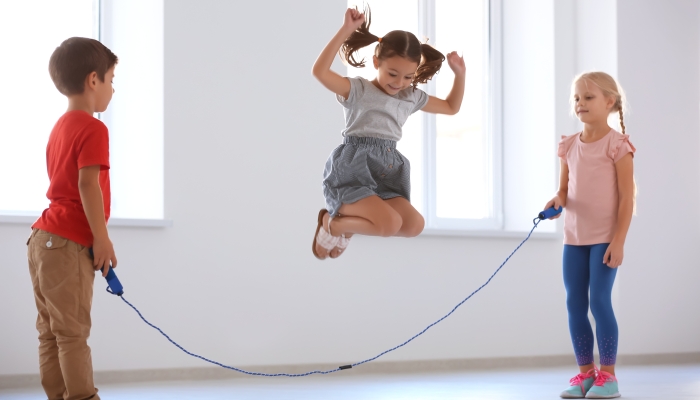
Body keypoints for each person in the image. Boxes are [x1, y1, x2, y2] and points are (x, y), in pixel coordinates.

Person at [311, 5, 465, 259]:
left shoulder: (410, 97)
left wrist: (460, 74)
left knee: (414, 225)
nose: (399, 83)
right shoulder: (358, 90)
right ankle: (334, 223)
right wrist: (346, 29)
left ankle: (344, 225)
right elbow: (320, 72)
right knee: (389, 224)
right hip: (354, 169)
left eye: (408, 77)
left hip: (387, 170)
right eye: (392, 73)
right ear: (376, 62)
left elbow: (451, 107)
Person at [27, 37, 118, 400]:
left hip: (41, 240)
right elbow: (86, 184)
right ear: (93, 80)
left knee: (51, 333)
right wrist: (102, 238)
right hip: (67, 243)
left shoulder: (59, 128)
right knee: (73, 334)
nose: (113, 90)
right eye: (112, 80)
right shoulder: (94, 128)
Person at [544, 72, 635, 399]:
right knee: (575, 303)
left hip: (604, 239)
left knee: (599, 301)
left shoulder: (618, 144)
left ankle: (608, 376)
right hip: (574, 239)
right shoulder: (568, 145)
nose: (580, 103)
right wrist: (557, 202)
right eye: (577, 98)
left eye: (589, 97)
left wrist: (619, 240)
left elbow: (628, 197)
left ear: (609, 101)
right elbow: (564, 191)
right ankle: (585, 374)